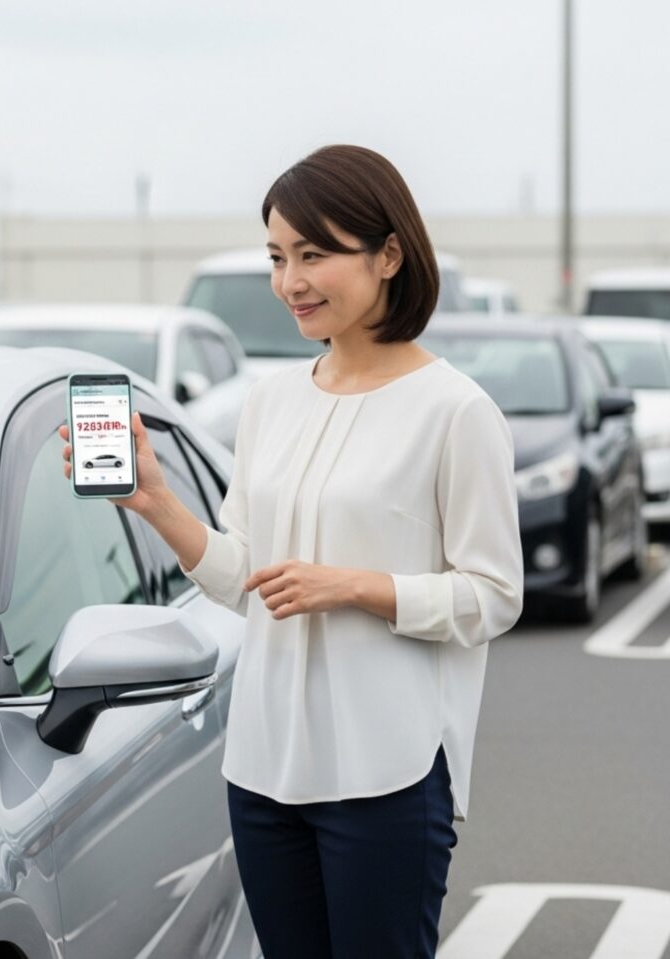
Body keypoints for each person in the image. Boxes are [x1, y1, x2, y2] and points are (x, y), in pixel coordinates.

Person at [60, 144, 523, 958]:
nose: (290, 281)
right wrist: (157, 502)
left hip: (388, 772)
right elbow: (247, 578)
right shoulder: (273, 400)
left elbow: (493, 594)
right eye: (278, 256)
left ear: (388, 255)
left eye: (314, 254)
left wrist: (358, 585)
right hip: (264, 768)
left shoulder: (456, 411)